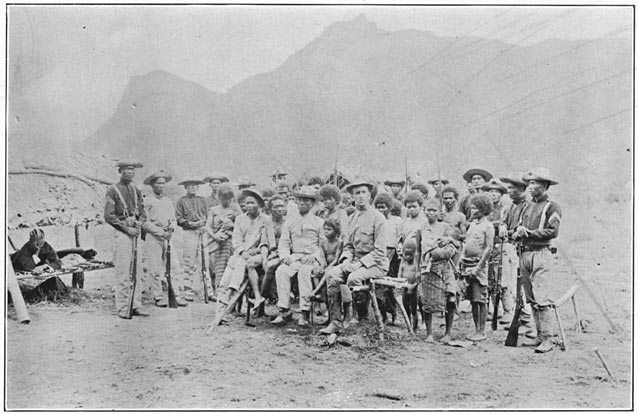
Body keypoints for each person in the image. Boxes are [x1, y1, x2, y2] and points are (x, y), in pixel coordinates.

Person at [320, 178, 388, 334]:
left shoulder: (378, 218)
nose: (361, 196)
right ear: (351, 196)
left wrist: (359, 264)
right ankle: (336, 321)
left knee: (353, 278)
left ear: (370, 195)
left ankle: (362, 320)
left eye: (364, 192)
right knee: (332, 275)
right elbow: (348, 246)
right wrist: (346, 261)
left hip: (376, 265)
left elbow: (380, 252)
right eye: (357, 193)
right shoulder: (351, 219)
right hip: (355, 262)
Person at [511, 168, 562, 354]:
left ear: (546, 185)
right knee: (531, 297)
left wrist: (530, 233)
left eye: (535, 183)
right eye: (530, 183)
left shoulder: (552, 207)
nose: (531, 186)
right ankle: (540, 336)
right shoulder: (525, 206)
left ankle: (548, 338)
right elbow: (516, 226)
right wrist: (516, 232)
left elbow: (553, 231)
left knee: (542, 297)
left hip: (541, 254)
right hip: (524, 254)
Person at [216, 189, 274, 323]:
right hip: (241, 254)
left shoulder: (266, 220)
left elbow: (269, 241)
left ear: (259, 204)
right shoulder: (240, 219)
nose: (249, 206)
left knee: (242, 263)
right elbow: (236, 240)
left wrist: (258, 250)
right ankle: (220, 314)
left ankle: (232, 291)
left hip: (258, 256)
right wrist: (243, 251)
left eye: (252, 203)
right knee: (226, 277)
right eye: (246, 203)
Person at [272, 186, 325, 326]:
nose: (301, 203)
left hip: (311, 258)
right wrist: (285, 257)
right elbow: (283, 243)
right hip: (295, 257)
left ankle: (304, 312)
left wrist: (314, 256)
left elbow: (323, 245)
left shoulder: (319, 222)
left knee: (304, 272)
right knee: (281, 270)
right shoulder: (290, 221)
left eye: (305, 200)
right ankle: (284, 310)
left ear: (312, 203)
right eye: (299, 200)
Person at [104, 160, 148, 318]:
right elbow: (108, 216)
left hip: (135, 232)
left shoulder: (136, 190)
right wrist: (126, 228)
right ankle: (123, 306)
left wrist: (139, 223)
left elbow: (143, 213)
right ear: (120, 172)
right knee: (123, 270)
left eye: (132, 170)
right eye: (126, 170)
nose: (129, 172)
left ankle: (136, 304)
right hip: (122, 233)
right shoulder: (113, 190)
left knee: (138, 271)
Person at [142, 170, 187, 307]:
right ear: (152, 185)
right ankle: (158, 296)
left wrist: (171, 228)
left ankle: (177, 294)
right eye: (158, 183)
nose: (161, 186)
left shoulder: (167, 200)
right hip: (153, 237)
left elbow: (173, 219)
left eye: (163, 183)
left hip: (167, 237)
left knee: (174, 266)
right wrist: (161, 232)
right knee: (155, 268)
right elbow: (145, 222)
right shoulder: (147, 201)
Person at [420, 199, 460, 343]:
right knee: (427, 301)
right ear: (424, 211)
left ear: (439, 212)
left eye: (434, 210)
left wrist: (448, 241)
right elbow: (421, 248)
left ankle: (448, 332)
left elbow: (455, 245)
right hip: (428, 267)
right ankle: (429, 333)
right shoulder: (422, 228)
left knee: (450, 298)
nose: (431, 213)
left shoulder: (445, 227)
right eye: (428, 210)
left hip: (445, 267)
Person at [499, 172, 533, 332]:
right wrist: (503, 226)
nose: (509, 191)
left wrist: (511, 231)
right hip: (511, 249)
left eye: (512, 188)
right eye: (508, 188)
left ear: (521, 188)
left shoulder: (528, 206)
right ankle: (521, 319)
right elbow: (504, 222)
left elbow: (524, 229)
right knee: (512, 287)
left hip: (523, 251)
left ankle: (528, 322)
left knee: (521, 287)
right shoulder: (511, 206)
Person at [459, 193, 494, 341]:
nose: (472, 211)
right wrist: (461, 257)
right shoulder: (472, 225)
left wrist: (478, 268)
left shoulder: (488, 226)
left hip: (479, 267)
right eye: (471, 208)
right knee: (473, 299)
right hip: (467, 264)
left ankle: (481, 330)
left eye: (475, 208)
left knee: (481, 299)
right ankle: (476, 329)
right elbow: (466, 243)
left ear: (483, 209)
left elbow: (488, 248)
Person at [175, 179, 213, 302]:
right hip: (189, 233)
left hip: (202, 232)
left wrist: (203, 225)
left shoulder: (202, 200)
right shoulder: (181, 201)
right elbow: (179, 219)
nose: (192, 188)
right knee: (189, 262)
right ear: (186, 187)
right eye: (190, 186)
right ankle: (188, 291)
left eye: (194, 186)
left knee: (204, 263)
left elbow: (207, 216)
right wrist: (192, 224)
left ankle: (208, 291)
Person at [205, 183, 242, 301]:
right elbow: (208, 226)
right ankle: (220, 294)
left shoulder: (235, 208)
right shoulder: (213, 210)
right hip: (216, 243)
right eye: (224, 198)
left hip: (231, 242)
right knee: (217, 268)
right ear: (219, 197)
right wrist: (215, 236)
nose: (226, 201)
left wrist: (232, 226)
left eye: (229, 198)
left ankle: (231, 296)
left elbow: (242, 225)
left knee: (230, 267)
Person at [481, 179, 509, 322]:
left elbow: (504, 224)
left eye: (496, 192)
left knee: (501, 280)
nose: (493, 195)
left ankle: (508, 311)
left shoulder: (505, 208)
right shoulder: (485, 209)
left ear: (501, 194)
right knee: (489, 279)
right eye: (490, 192)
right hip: (486, 247)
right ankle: (494, 309)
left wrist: (490, 225)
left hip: (500, 246)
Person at [373, 191, 401, 324]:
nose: (381, 210)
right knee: (377, 287)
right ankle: (382, 315)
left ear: (389, 207)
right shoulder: (375, 220)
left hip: (392, 256)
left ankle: (394, 312)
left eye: (383, 207)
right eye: (378, 207)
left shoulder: (396, 221)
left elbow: (401, 238)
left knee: (389, 287)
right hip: (378, 254)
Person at [261, 195, 287, 303]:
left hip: (284, 253)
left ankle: (263, 295)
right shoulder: (267, 222)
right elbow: (264, 242)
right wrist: (264, 257)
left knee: (271, 266)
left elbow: (289, 244)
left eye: (282, 206)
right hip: (270, 253)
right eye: (276, 207)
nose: (280, 209)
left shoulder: (288, 222)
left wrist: (276, 254)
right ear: (270, 209)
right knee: (265, 263)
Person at [398, 239, 419, 331]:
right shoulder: (403, 264)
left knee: (414, 309)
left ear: (414, 254)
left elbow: (419, 277)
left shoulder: (416, 265)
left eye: (410, 255)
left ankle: (414, 329)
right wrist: (400, 284)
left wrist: (414, 285)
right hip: (405, 288)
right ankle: (408, 327)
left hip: (414, 289)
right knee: (406, 308)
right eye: (405, 254)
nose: (408, 257)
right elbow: (399, 275)